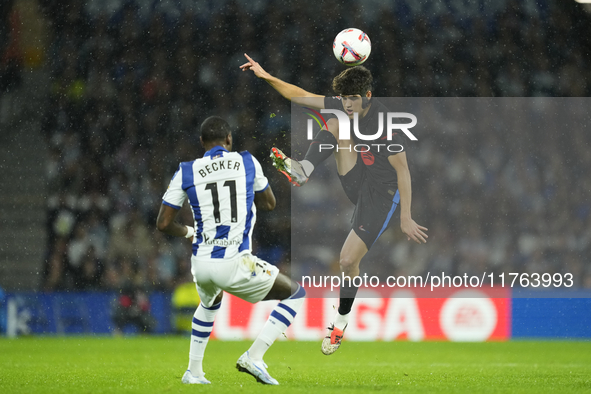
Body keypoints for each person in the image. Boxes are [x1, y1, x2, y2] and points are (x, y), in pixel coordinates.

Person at [240, 54, 427, 355]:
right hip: (356, 177)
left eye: (353, 99)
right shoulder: (344, 108)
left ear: (367, 95)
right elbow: (301, 96)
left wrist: (405, 216)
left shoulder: (384, 124)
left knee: (347, 261)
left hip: (381, 195)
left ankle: (340, 323)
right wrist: (265, 75)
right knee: (336, 121)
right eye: (344, 98)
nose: (348, 104)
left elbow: (403, 170)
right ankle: (303, 170)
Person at [156, 116, 305, 385]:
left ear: (202, 143)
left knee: (209, 303)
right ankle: (254, 357)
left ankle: (194, 372)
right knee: (295, 294)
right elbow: (269, 204)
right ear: (229, 140)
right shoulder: (246, 161)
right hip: (234, 261)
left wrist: (190, 232)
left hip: (200, 264)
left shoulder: (186, 170)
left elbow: (163, 223)